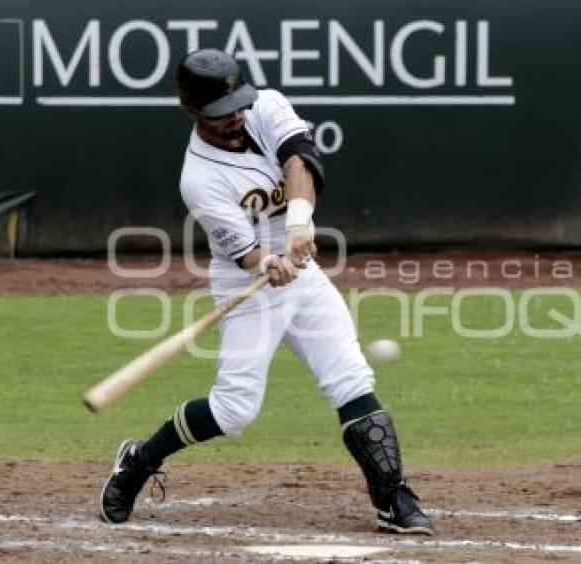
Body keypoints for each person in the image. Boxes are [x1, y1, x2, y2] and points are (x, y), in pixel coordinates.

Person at [97, 48, 433, 535]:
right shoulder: (200, 179)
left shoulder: (267, 106)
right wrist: (268, 262)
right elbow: (246, 254)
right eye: (220, 112)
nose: (234, 116)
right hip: (248, 283)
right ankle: (139, 460)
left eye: (236, 104)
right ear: (192, 112)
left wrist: (298, 224)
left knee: (350, 378)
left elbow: (300, 158)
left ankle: (392, 497)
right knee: (235, 409)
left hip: (305, 272)